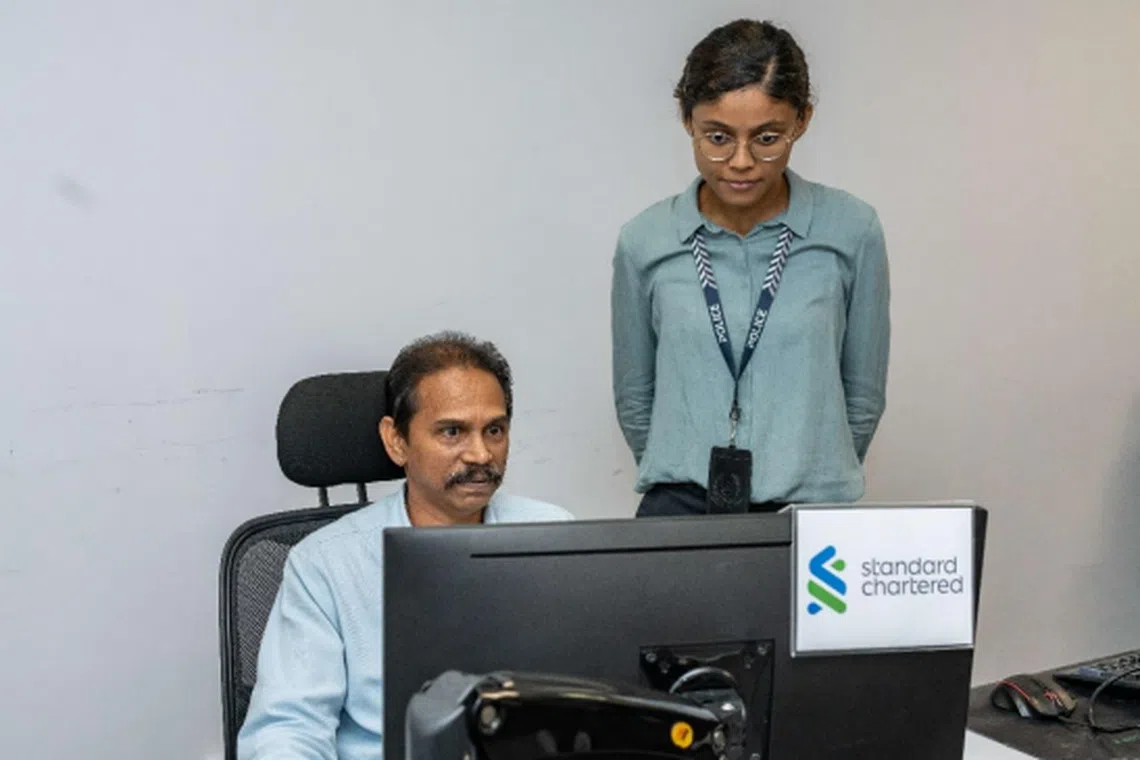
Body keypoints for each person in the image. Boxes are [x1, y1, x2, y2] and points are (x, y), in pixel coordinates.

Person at [238, 331, 573, 760]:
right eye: (452, 431)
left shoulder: (553, 534)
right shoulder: (324, 563)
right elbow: (287, 731)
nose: (480, 454)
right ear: (397, 441)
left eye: (494, 430)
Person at [611, 19, 890, 517]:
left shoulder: (852, 230)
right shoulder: (644, 241)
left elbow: (862, 396)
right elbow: (636, 399)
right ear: (686, 121)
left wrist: (809, 465)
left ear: (802, 120)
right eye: (717, 137)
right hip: (682, 506)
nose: (741, 161)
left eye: (767, 138)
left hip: (811, 508)